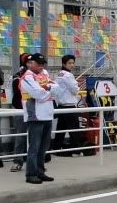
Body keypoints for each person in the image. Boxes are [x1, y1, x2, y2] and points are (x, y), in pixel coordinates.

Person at [19, 53, 64, 185]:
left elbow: (58, 89)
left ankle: (40, 171)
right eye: (38, 64)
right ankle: (31, 174)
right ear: (30, 63)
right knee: (34, 147)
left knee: (43, 147)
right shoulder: (27, 77)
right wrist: (49, 91)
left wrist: (47, 89)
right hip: (35, 116)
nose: (40, 66)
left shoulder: (44, 74)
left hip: (47, 114)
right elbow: (39, 94)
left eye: (42, 64)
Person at [52, 54, 81, 156]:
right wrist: (78, 86)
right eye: (69, 63)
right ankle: (76, 150)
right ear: (64, 64)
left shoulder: (59, 74)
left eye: (73, 63)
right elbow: (75, 90)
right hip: (69, 106)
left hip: (61, 105)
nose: (72, 65)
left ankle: (56, 148)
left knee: (60, 129)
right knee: (74, 129)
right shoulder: (68, 75)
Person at [8, 53, 31, 172]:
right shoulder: (18, 76)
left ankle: (35, 162)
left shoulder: (38, 75)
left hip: (34, 110)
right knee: (20, 136)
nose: (31, 64)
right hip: (21, 109)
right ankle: (17, 161)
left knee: (35, 137)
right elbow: (17, 95)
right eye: (28, 62)